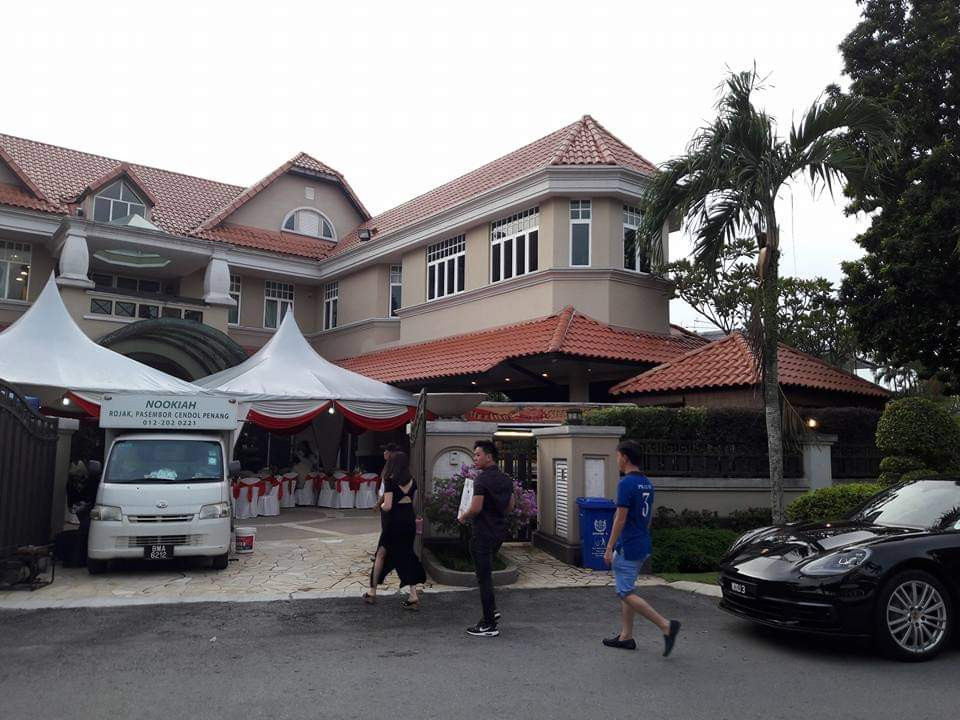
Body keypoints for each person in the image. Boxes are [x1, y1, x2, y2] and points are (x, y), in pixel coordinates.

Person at [603, 439, 681, 656]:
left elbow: (620, 518)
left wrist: (609, 547)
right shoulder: (646, 483)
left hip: (628, 545)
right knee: (627, 588)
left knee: (625, 592)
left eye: (617, 456)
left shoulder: (626, 483)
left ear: (625, 457)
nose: (617, 460)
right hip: (641, 541)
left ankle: (666, 626)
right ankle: (626, 636)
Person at [458, 440, 514, 637]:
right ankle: (491, 611)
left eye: (478, 455)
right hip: (498, 533)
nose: (475, 458)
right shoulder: (507, 480)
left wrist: (463, 516)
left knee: (484, 579)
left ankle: (489, 624)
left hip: (481, 533)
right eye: (474, 455)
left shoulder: (481, 480)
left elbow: (476, 507)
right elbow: (509, 508)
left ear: (489, 457)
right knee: (486, 575)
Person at [363, 451, 426, 608]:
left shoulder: (390, 481)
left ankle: (372, 591)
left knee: (381, 554)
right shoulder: (413, 481)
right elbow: (413, 504)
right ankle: (413, 595)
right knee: (407, 555)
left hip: (394, 522)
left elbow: (388, 505)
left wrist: (381, 506)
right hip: (408, 520)